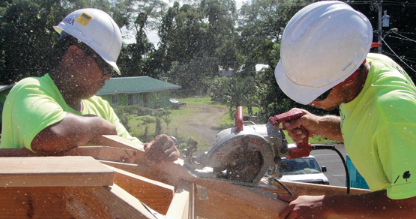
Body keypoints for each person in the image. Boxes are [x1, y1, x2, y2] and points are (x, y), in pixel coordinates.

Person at [274, 1, 416, 218]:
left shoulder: (393, 113)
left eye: (318, 93)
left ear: (348, 78)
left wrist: (327, 205)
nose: (311, 102)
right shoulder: (370, 66)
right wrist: (317, 124)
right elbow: (369, 132)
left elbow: (411, 206)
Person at [0, 8, 179, 163]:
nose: (107, 77)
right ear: (74, 54)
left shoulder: (101, 107)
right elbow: (51, 136)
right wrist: (99, 125)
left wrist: (156, 150)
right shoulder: (29, 90)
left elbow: (133, 150)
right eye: (104, 66)